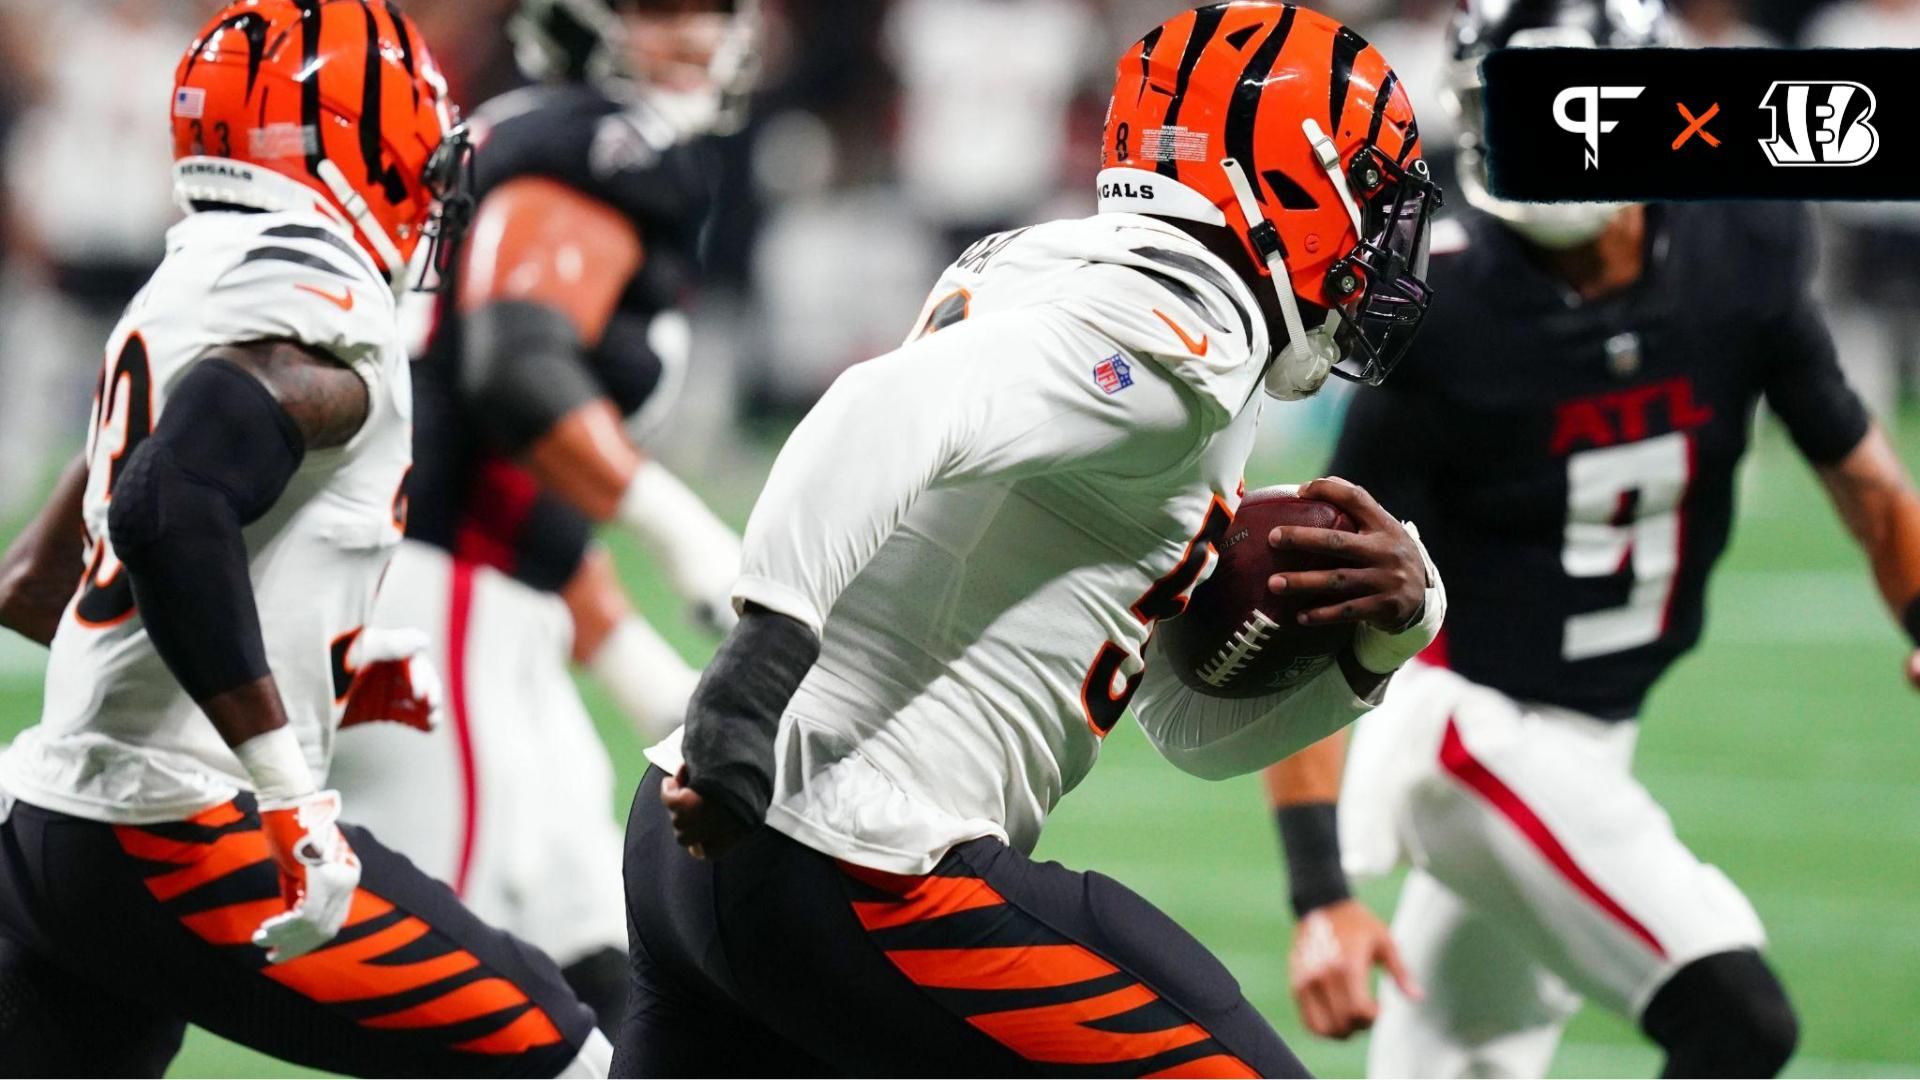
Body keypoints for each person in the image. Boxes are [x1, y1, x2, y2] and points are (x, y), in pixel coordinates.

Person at [619, 4, 1449, 1075]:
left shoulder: (1052, 266)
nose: (1380, 245)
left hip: (698, 848)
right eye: (1368, 198)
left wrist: (1383, 638)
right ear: (1287, 183)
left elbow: (1182, 722)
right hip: (861, 857)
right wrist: (752, 677)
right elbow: (882, 406)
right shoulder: (1179, 336)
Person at [1263, 2, 1920, 1077]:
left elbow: (1865, 475)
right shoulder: (1446, 306)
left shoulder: (1740, 244)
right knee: (1740, 1020)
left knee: (1459, 1065)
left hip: (1590, 735)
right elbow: (1315, 598)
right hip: (1463, 726)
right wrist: (1319, 893)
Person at [0, 3, 608, 1074]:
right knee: (563, 1052)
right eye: (420, 148)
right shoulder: (315, 294)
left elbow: (36, 585)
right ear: (359, 144)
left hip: (48, 827)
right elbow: (165, 507)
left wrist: (299, 679)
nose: (433, 186)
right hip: (175, 832)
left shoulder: (186, 279)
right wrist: (288, 786)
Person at [326, 0, 756, 1036]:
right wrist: (685, 532)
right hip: (440, 597)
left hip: (467, 592)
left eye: (710, 10)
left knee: (591, 937)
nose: (692, 35)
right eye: (658, 9)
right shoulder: (597, 146)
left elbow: (516, 473)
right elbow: (517, 372)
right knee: (461, 1000)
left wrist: (638, 666)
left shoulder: (515, 133)